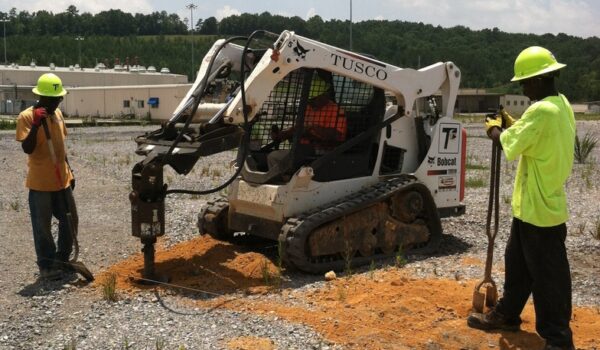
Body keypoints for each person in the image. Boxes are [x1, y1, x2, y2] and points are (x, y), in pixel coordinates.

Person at [468, 46, 576, 350]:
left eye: (525, 83)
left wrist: (494, 129)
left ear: (539, 79)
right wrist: (513, 122)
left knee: (548, 279)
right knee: (517, 265)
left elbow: (505, 143)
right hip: (532, 208)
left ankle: (558, 340)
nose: (524, 89)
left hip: (540, 212)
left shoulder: (541, 111)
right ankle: (507, 315)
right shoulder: (561, 105)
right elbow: (533, 136)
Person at [16, 73, 77, 281]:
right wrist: (35, 124)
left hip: (62, 180)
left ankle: (62, 259)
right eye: (54, 99)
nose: (58, 102)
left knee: (70, 220)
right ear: (42, 97)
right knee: (42, 226)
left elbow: (61, 147)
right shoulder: (26, 116)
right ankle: (47, 265)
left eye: (59, 98)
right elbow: (27, 147)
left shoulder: (57, 114)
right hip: (41, 183)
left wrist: (70, 170)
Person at [267, 71, 346, 170]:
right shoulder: (308, 108)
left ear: (323, 96)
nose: (310, 103)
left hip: (321, 149)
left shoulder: (336, 111)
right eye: (309, 100)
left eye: (312, 100)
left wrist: (312, 128)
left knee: (274, 157)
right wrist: (283, 134)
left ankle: (286, 179)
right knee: (274, 156)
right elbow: (299, 127)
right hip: (302, 147)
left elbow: (335, 135)